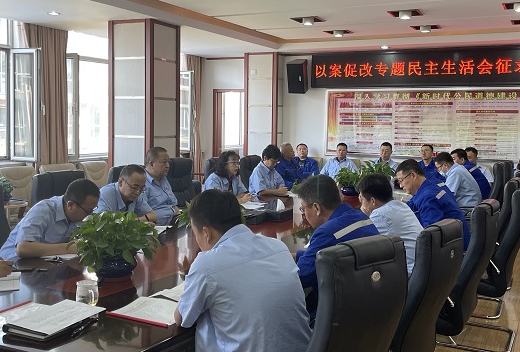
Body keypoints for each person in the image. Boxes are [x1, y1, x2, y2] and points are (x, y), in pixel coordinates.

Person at [174, 190, 311, 352]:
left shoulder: (207, 263)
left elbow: (182, 318)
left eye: (195, 233)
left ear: (206, 233)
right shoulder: (278, 246)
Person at [296, 175, 379, 310]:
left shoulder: (327, 232)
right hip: (370, 301)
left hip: (340, 310)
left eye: (303, 209)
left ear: (316, 208)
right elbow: (326, 253)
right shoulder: (360, 217)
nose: (304, 214)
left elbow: (300, 277)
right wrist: (298, 255)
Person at [0, 179, 100, 260]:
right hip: (10, 268)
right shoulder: (43, 210)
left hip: (41, 267)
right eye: (88, 211)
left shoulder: (76, 216)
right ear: (70, 205)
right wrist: (69, 247)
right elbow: (23, 248)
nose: (90, 215)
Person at [357, 174, 422, 277]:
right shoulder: (402, 205)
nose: (361, 202)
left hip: (409, 274)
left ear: (372, 201)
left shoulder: (379, 215)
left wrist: (363, 214)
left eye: (362, 199)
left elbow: (362, 244)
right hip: (422, 268)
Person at [396, 159, 470, 250]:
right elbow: (414, 202)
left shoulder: (427, 197)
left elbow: (430, 235)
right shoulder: (432, 184)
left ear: (413, 175)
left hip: (454, 248)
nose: (400, 185)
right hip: (458, 239)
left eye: (401, 180)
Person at [144, 147, 180, 225]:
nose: (167, 166)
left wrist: (180, 219)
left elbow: (174, 205)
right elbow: (142, 213)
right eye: (164, 162)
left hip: (172, 222)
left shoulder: (164, 179)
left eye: (168, 162)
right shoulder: (142, 182)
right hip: (157, 226)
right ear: (151, 164)